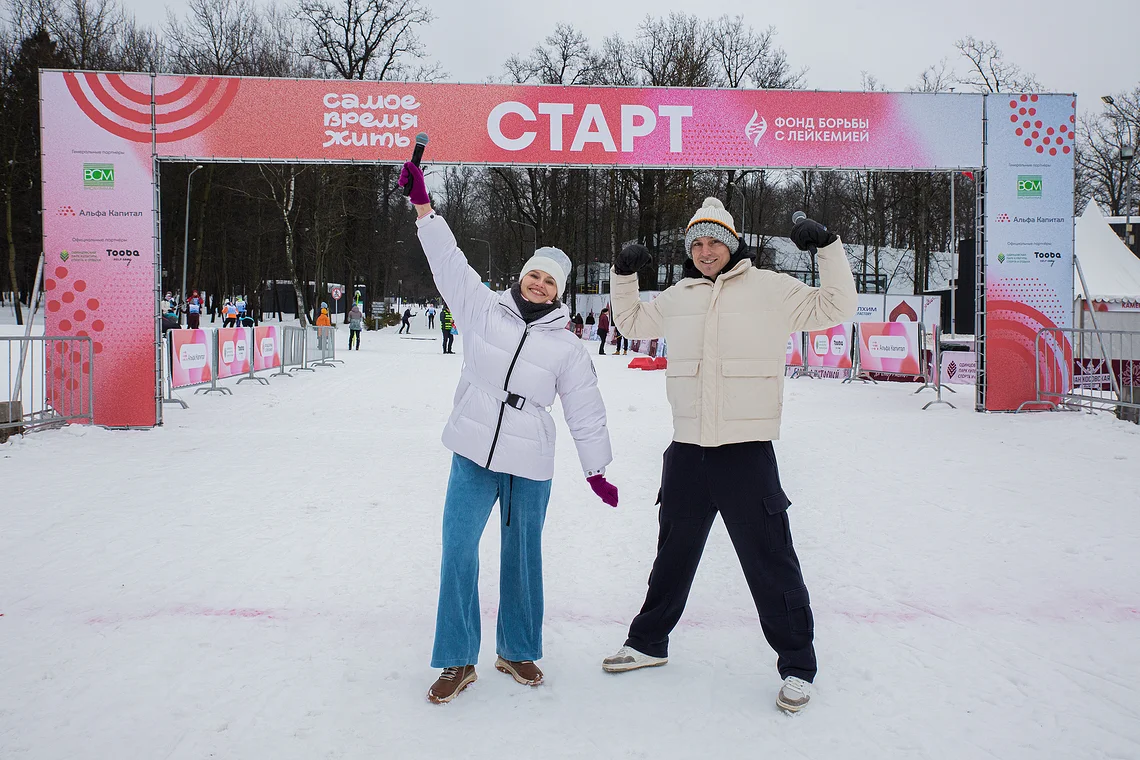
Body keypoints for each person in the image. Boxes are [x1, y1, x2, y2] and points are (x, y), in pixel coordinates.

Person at [600, 197, 857, 713]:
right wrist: (623, 273)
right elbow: (630, 322)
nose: (704, 250)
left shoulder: (770, 289)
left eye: (714, 240)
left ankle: (798, 666)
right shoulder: (680, 294)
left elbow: (837, 306)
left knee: (770, 561)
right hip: (688, 451)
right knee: (672, 556)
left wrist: (827, 247)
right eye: (696, 243)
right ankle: (648, 643)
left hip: (745, 454)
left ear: (732, 243)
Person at [399, 160, 619, 705]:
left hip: (529, 461)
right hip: (472, 451)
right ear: (522, 274)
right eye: (534, 274)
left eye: (550, 280)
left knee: (523, 556)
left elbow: (585, 408)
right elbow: (448, 263)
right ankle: (457, 659)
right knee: (457, 548)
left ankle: (516, 648)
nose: (539, 284)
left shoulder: (567, 345)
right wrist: (425, 210)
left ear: (559, 291)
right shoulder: (482, 309)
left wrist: (596, 468)